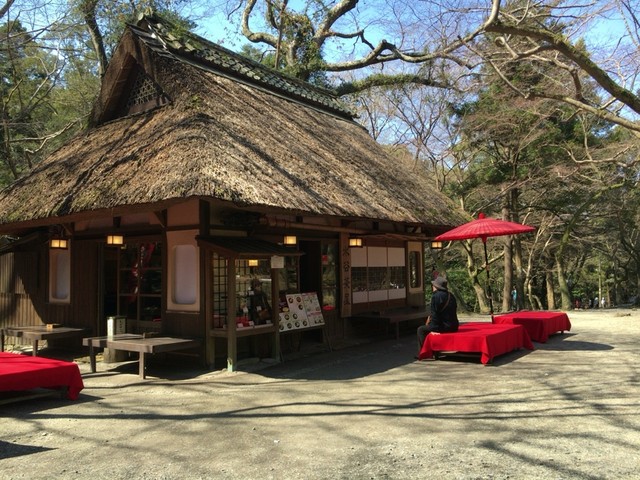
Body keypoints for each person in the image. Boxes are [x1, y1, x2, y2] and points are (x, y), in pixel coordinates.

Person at [416, 276, 459, 358]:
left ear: (436, 287)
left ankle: (424, 353)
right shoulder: (451, 295)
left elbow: (435, 314)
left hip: (443, 327)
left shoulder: (436, 297)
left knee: (421, 330)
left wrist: (433, 328)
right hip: (454, 326)